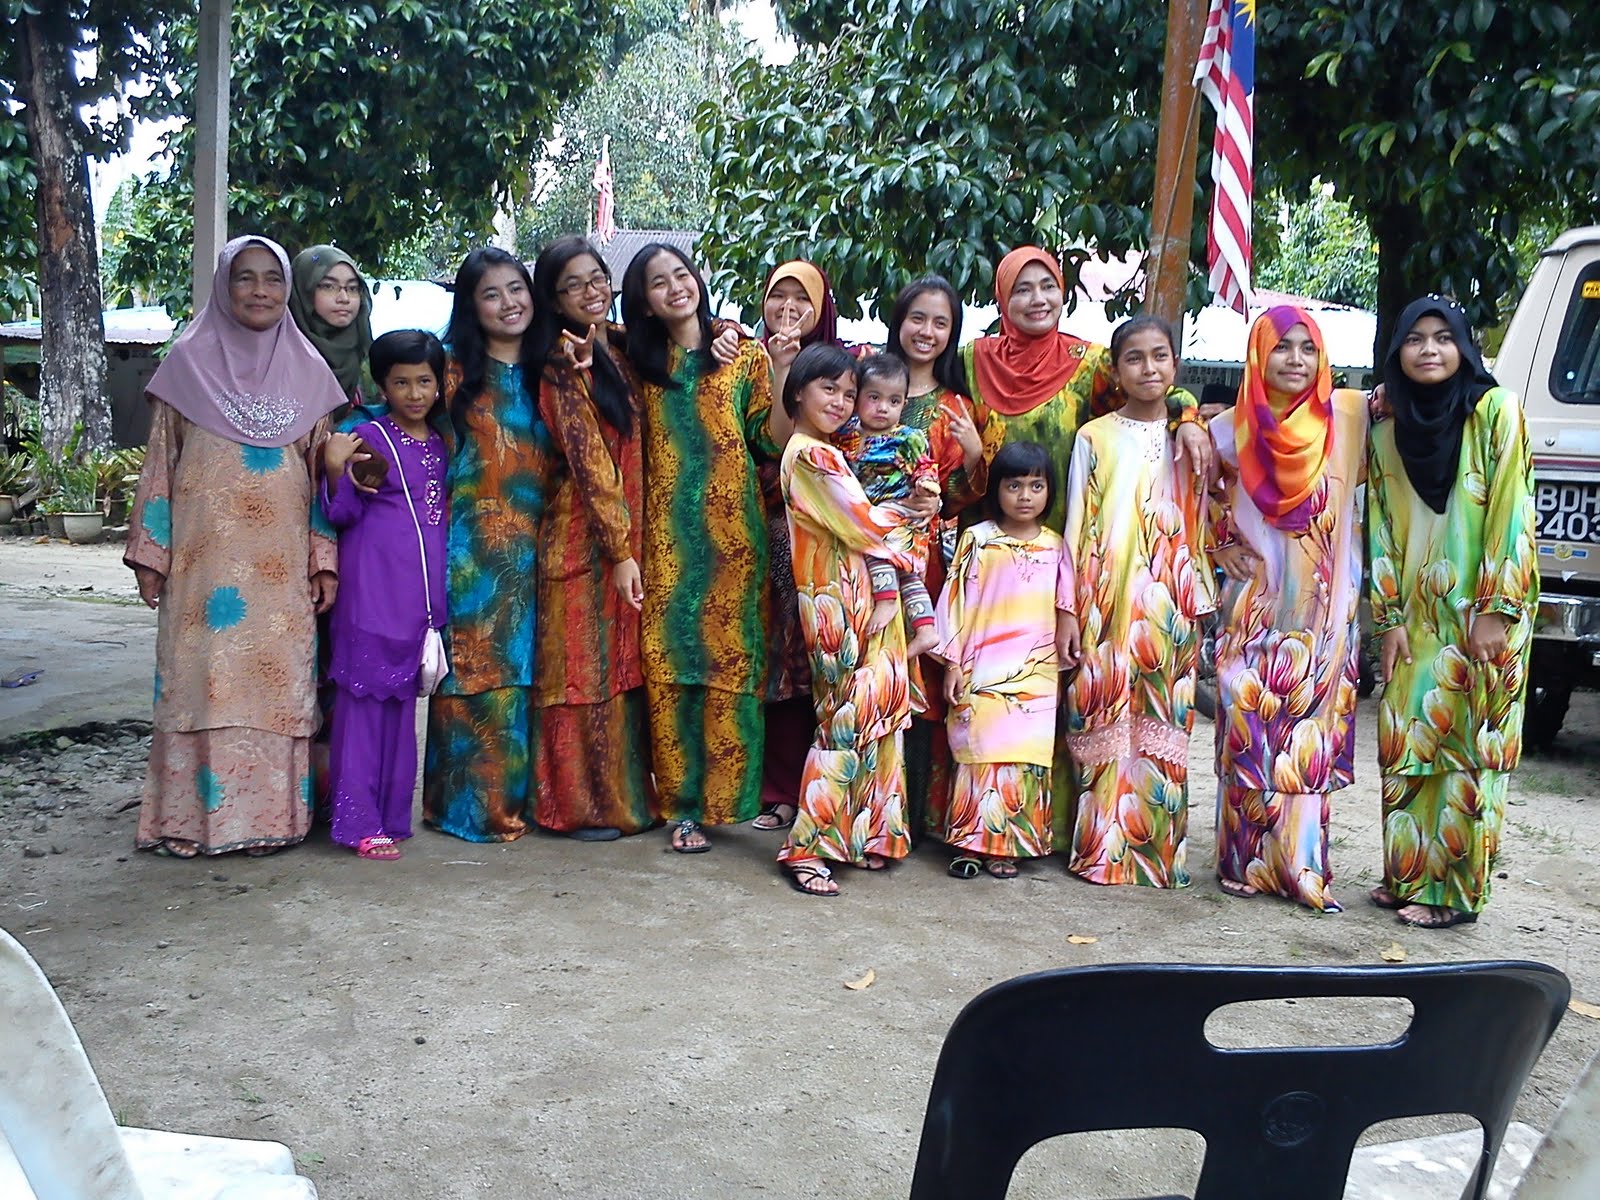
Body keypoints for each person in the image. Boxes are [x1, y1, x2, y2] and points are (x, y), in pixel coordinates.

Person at [124, 234, 345, 858]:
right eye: (245, 278)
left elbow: (322, 479)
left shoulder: (309, 375)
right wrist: (151, 554)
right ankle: (192, 824)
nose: (259, 291)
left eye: (272, 279)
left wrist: (323, 560)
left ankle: (271, 821)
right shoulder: (186, 366)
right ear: (224, 287)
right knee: (203, 683)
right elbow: (160, 467)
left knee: (275, 686)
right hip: (202, 567)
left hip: (279, 573)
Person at [1367, 295, 1537, 929]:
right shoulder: (1386, 434)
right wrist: (1388, 618)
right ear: (1398, 353)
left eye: (1443, 337)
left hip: (1483, 611)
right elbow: (1380, 529)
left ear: (1464, 347)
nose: (1430, 350)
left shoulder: (1495, 411)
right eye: (1415, 339)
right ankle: (1409, 874)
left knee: (1468, 746)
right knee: (1407, 738)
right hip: (1415, 616)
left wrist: (1496, 608)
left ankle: (1452, 894)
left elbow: (1512, 511)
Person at [1209, 306, 1368, 911]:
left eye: (1308, 348)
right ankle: (1244, 859)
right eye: (1281, 347)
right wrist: (1220, 544)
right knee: (1249, 723)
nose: (1295, 360)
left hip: (1323, 615)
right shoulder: (1225, 431)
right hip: (1254, 607)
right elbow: (1198, 499)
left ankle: (1302, 866)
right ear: (1258, 354)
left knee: (1306, 735)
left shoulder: (1349, 417)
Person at [620, 242, 776, 852]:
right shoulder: (637, 360)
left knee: (732, 663)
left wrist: (780, 363)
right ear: (644, 303)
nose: (675, 288)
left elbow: (768, 438)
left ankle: (727, 802)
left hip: (736, 538)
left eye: (681, 274)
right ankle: (681, 808)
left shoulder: (743, 353)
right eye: (658, 283)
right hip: (665, 541)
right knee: (670, 665)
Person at [1056, 316, 1216, 887]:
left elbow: (1207, 519)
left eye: (1159, 356)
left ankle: (1157, 855)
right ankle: (1100, 849)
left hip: (1171, 602)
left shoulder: (1191, 438)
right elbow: (1076, 526)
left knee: (1163, 717)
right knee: (1102, 711)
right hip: (1104, 600)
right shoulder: (1093, 437)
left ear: (1175, 364)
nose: (1149, 368)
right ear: (1116, 370)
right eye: (1134, 358)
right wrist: (1068, 609)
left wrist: (1200, 599)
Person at [775, 344, 925, 896]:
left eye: (847, 392)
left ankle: (865, 836)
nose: (840, 402)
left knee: (877, 714)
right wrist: (913, 511)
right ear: (798, 392)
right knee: (845, 721)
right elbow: (865, 524)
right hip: (838, 606)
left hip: (864, 599)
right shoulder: (810, 457)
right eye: (828, 389)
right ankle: (807, 846)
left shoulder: (828, 451)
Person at [528, 236, 657, 841]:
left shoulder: (616, 349)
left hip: (625, 541)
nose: (591, 291)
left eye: (597, 277)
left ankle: (624, 803)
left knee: (621, 673)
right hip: (583, 541)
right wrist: (620, 551)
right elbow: (591, 465)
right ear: (554, 301)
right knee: (579, 676)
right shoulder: (560, 367)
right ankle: (574, 807)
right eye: (573, 285)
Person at [422, 247, 553, 843]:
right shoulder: (448, 371)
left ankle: (527, 802)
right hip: (471, 549)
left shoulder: (555, 368)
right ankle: (464, 808)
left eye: (516, 289)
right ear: (471, 307)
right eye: (491, 294)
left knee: (532, 671)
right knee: (473, 673)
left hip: (544, 546)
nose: (508, 303)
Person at [319, 330, 449, 859]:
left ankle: (390, 817)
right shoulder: (368, 439)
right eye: (401, 382)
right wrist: (335, 468)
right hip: (372, 596)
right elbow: (343, 513)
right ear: (382, 384)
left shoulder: (442, 442)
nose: (415, 394)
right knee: (362, 712)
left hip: (418, 602)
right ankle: (357, 823)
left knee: (398, 711)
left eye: (425, 381)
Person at [881, 275, 1001, 841]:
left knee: (921, 681)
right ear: (898, 321)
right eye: (917, 318)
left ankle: (917, 815)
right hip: (858, 553)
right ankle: (868, 807)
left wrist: (974, 457)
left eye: (941, 322)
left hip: (924, 562)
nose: (926, 331)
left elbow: (957, 499)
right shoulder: (868, 381)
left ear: (952, 333)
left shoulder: (957, 407)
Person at [933, 441, 1063, 880]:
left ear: (1049, 491)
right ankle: (970, 843)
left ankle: (1008, 846)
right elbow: (955, 602)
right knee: (980, 755)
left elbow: (1067, 607)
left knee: (1023, 757)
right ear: (997, 490)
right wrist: (952, 664)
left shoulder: (1057, 547)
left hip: (1037, 675)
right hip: (983, 669)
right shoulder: (978, 540)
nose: (1025, 496)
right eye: (1014, 485)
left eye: (1036, 486)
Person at [755, 260, 849, 829]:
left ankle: (827, 794)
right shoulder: (747, 356)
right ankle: (780, 790)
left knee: (826, 663)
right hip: (773, 530)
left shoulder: (842, 366)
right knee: (784, 664)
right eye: (778, 296)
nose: (788, 308)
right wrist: (780, 369)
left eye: (802, 298)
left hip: (833, 531)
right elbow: (773, 441)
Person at [831, 353, 942, 658]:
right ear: (858, 398)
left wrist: (926, 485)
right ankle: (926, 629)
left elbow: (925, 467)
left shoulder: (907, 437)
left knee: (875, 543)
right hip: (868, 512)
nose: (883, 407)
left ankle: (887, 601)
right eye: (874, 397)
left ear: (904, 403)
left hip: (899, 509)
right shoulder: (846, 435)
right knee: (906, 574)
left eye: (893, 401)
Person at [288, 244, 374, 415]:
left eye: (352, 288)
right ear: (303, 290)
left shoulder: (371, 359)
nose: (344, 298)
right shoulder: (275, 356)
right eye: (328, 286)